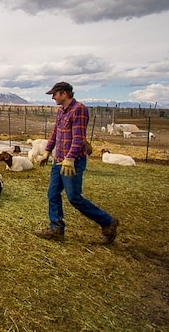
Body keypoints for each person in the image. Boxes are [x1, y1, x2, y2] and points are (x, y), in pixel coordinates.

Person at [34, 81, 118, 244]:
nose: (53, 97)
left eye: (55, 94)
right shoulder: (61, 111)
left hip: (72, 162)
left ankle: (108, 221)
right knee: (52, 194)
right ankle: (56, 228)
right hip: (58, 161)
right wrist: (47, 151)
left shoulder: (79, 109)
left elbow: (79, 138)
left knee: (74, 197)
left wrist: (70, 158)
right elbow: (55, 133)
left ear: (64, 94)